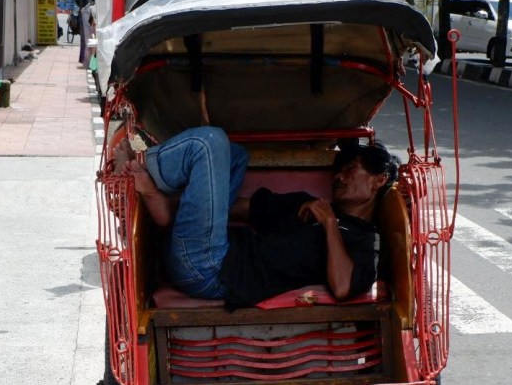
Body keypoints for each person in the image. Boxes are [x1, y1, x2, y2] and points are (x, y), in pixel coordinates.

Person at [113, 127, 399, 309]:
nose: (338, 176)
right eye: (339, 170)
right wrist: (189, 206)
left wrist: (328, 223)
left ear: (379, 180)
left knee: (208, 142)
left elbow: (342, 287)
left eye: (350, 169)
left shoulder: (364, 240)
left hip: (212, 272)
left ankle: (147, 174)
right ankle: (165, 205)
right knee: (234, 155)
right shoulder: (306, 205)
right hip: (212, 248)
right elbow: (233, 208)